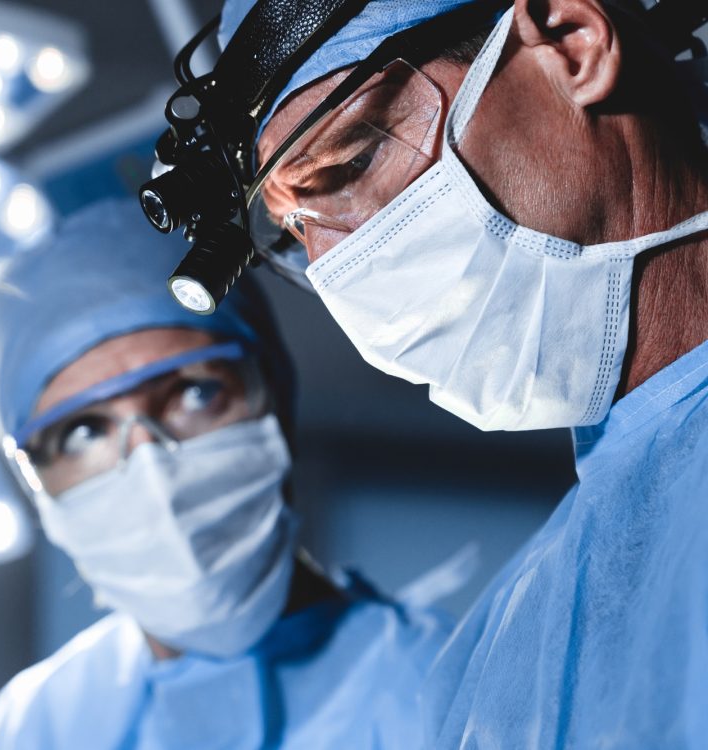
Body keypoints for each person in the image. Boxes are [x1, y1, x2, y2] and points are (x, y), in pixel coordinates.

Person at [177, 0, 708, 747]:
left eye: (353, 161)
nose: (333, 267)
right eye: (298, 227)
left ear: (571, 44)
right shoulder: (496, 662)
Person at [0, 198, 452, 749]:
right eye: (83, 432)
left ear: (276, 399)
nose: (150, 468)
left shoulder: (455, 704)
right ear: (38, 489)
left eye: (195, 393)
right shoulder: (22, 735)